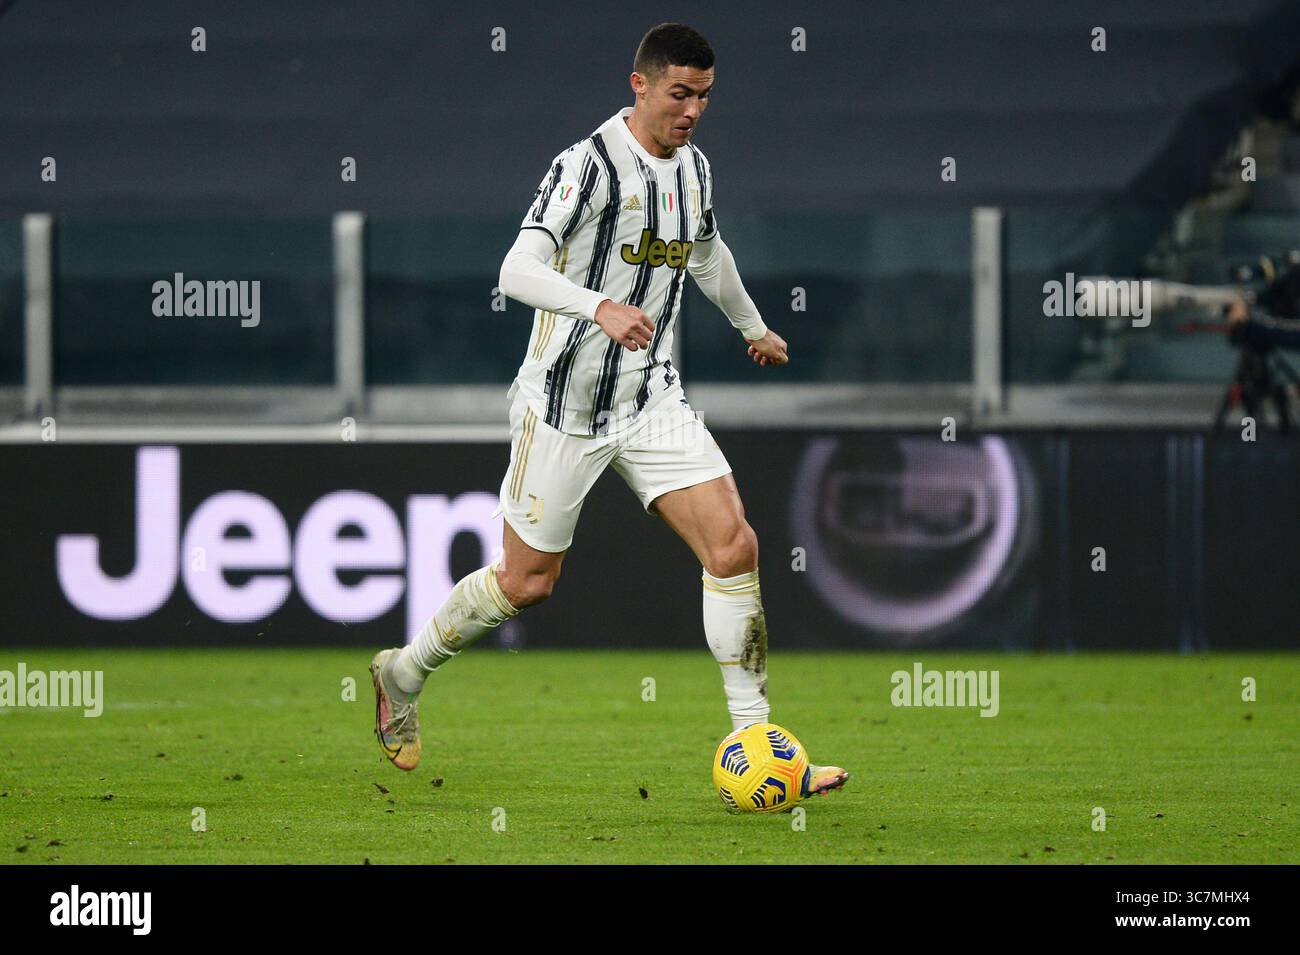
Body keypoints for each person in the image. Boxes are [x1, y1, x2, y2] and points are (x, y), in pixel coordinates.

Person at [369, 22, 848, 798]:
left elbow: (707, 253)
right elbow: (517, 268)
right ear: (641, 84)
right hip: (563, 405)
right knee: (527, 584)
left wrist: (752, 325)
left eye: (704, 96)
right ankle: (403, 671)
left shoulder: (694, 171)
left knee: (733, 547)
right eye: (679, 93)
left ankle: (755, 735)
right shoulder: (586, 167)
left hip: (648, 396)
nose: (692, 110)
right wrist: (599, 307)